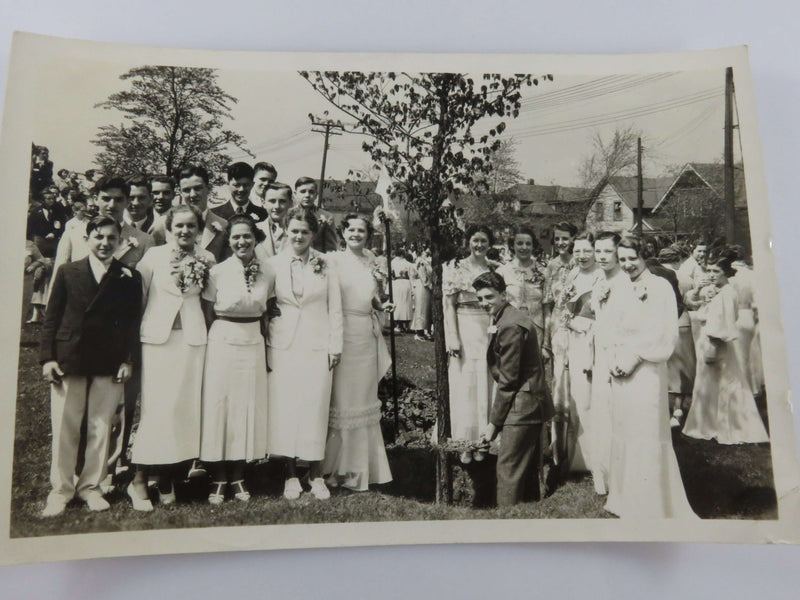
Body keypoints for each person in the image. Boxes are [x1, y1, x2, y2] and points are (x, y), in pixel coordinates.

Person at [39, 216, 143, 516]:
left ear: (120, 241)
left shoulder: (128, 276)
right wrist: (48, 358)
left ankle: (91, 487)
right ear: (87, 238)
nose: (105, 243)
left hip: (108, 360)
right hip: (69, 357)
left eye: (112, 238)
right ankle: (61, 489)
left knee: (101, 425)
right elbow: (51, 317)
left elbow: (131, 324)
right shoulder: (68, 271)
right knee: (65, 425)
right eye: (99, 237)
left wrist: (128, 360)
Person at [127, 205, 216, 511]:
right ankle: (138, 480)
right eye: (179, 226)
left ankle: (167, 478)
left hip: (191, 341)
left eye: (191, 226)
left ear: (199, 228)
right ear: (168, 227)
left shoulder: (207, 259)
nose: (185, 231)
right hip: (157, 342)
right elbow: (138, 298)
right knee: (157, 411)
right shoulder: (153, 257)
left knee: (182, 411)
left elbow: (208, 306)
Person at [602, 235, 696, 518]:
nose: (628, 264)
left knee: (645, 431)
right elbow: (610, 327)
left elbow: (663, 333)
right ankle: (623, 498)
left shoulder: (660, 287)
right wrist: (614, 359)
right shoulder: (619, 287)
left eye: (633, 258)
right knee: (625, 430)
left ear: (645, 257)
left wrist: (634, 358)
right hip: (620, 369)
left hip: (646, 369)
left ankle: (649, 503)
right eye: (623, 260)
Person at [266, 207, 343, 500]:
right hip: (283, 344)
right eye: (294, 230)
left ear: (313, 234)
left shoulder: (325, 263)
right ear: (286, 230)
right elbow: (266, 304)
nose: (298, 236)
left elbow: (334, 307)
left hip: (317, 344)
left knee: (315, 407)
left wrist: (335, 345)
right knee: (286, 408)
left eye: (305, 231)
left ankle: (316, 474)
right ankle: (289, 475)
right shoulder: (272, 264)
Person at [199, 214, 270, 504]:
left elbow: (269, 309)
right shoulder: (217, 272)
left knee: (246, 406)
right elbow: (206, 312)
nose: (242, 242)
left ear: (255, 239)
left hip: (253, 341)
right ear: (229, 241)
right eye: (236, 237)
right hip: (223, 340)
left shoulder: (268, 271)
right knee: (220, 406)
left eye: (247, 237)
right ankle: (218, 478)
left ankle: (238, 476)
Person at [321, 214, 393, 491]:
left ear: (368, 233)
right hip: (344, 332)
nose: (355, 234)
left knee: (364, 399)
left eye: (361, 230)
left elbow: (371, 296)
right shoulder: (332, 260)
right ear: (342, 233)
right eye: (350, 229)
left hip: (366, 334)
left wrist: (380, 305)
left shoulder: (373, 259)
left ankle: (363, 469)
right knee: (343, 400)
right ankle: (338, 469)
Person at [474, 272, 553, 506]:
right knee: (523, 467)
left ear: (503, 295)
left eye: (489, 297)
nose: (484, 303)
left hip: (523, 404)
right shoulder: (506, 316)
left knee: (508, 468)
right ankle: (525, 516)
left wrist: (493, 424)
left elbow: (508, 381)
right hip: (529, 399)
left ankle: (506, 522)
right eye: (479, 298)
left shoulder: (509, 325)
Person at [682, 248, 770, 445]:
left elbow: (723, 323)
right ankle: (711, 424)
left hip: (717, 344)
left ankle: (725, 426)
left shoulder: (728, 293)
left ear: (726, 273)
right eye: (709, 271)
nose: (711, 276)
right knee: (709, 386)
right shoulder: (721, 292)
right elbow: (696, 304)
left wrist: (712, 347)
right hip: (711, 340)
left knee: (720, 385)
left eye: (716, 272)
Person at [443, 224, 497, 459]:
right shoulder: (457, 268)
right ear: (468, 242)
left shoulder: (495, 269)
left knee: (486, 380)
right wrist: (452, 337)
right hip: (465, 328)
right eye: (475, 240)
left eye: (484, 241)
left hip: (488, 329)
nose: (479, 245)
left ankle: (483, 442)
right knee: (466, 382)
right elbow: (448, 305)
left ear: (490, 244)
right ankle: (465, 441)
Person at [589, 230, 629, 495]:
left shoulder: (626, 283)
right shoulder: (597, 280)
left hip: (620, 354)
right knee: (601, 411)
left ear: (618, 252)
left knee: (619, 412)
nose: (601, 257)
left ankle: (622, 472)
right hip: (600, 353)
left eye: (607, 251)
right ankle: (602, 473)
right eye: (598, 251)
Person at [560, 231, 603, 479]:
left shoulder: (601, 278)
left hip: (593, 340)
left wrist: (581, 326)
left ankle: (595, 455)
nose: (582, 256)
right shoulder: (572, 274)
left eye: (587, 251)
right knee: (576, 394)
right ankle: (577, 454)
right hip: (573, 339)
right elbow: (564, 308)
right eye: (577, 251)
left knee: (590, 395)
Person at [542, 221, 577, 478]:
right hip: (557, 329)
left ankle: (580, 445)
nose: (561, 243)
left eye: (565, 238)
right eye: (557, 239)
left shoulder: (582, 262)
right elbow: (547, 305)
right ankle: (558, 445)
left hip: (579, 328)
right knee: (559, 384)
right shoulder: (551, 267)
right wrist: (545, 339)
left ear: (573, 239)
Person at [657, 246, 696, 427]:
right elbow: (688, 302)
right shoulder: (686, 278)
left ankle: (666, 409)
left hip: (662, 322)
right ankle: (679, 409)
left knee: (666, 366)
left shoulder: (655, 275)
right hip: (682, 322)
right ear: (678, 260)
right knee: (683, 368)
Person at [496, 226, 547, 345]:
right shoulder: (502, 271)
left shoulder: (542, 271)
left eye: (528, 244)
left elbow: (547, 306)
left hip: (536, 328)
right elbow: (497, 305)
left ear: (533, 246)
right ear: (512, 245)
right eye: (519, 243)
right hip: (510, 327)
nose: (524, 247)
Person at [25, 186, 66, 323]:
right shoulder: (35, 213)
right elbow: (30, 231)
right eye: (48, 198)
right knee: (38, 275)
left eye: (53, 198)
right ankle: (36, 313)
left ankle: (47, 310)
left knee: (49, 273)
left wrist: (54, 233)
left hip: (52, 245)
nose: (51, 200)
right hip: (39, 245)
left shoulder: (57, 211)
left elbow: (61, 227)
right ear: (43, 200)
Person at [175, 165, 229, 263]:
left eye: (197, 188)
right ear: (180, 192)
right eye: (187, 190)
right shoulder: (168, 225)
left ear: (208, 188)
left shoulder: (224, 225)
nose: (192, 195)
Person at [294, 176, 339, 253]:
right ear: (295, 194)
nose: (307, 195)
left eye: (311, 192)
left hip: (316, 260)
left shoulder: (327, 216)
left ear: (316, 195)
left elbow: (331, 248)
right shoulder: (289, 215)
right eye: (303, 191)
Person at [255, 183, 292, 259]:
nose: (277, 206)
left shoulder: (297, 230)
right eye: (272, 201)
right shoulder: (254, 229)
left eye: (282, 201)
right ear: (263, 202)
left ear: (290, 203)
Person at [411, 247, 433, 340]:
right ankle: (419, 332)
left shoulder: (426, 262)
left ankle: (425, 331)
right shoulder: (421, 262)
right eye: (425, 250)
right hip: (422, 287)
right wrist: (430, 286)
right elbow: (423, 277)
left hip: (426, 288)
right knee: (421, 308)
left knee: (426, 309)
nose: (428, 251)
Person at [149, 174, 176, 245]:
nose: (160, 197)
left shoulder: (179, 218)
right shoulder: (143, 217)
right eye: (156, 193)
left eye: (166, 193)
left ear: (173, 195)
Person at [390, 251, 414, 333]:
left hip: (397, 283)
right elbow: (411, 276)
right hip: (406, 283)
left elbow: (391, 274)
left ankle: (398, 325)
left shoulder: (392, 262)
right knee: (406, 303)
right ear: (403, 255)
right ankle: (406, 325)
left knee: (398, 302)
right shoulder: (408, 264)